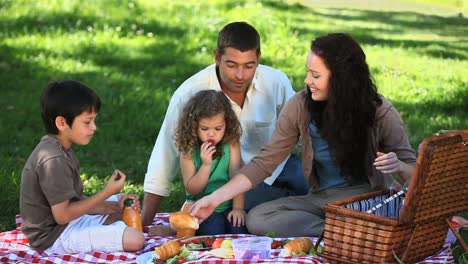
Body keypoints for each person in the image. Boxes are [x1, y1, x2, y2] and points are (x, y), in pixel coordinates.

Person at [189, 33, 417, 237]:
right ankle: (341, 233)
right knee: (258, 218)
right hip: (322, 199)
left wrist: (399, 166)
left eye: (315, 75)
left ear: (340, 79)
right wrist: (215, 198)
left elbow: (417, 173)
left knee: (388, 213)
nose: (307, 80)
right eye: (308, 72)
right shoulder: (300, 105)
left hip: (367, 201)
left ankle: (354, 228)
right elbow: (265, 162)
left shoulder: (379, 111)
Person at [142, 21, 309, 226]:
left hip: (279, 165)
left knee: (316, 185)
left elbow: (304, 128)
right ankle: (290, 206)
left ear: (258, 58)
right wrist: (144, 223)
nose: (240, 75)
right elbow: (163, 158)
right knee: (246, 209)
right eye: (231, 65)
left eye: (249, 65)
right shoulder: (189, 93)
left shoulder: (276, 81)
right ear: (217, 57)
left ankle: (297, 206)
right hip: (234, 182)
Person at [19, 80, 145, 254]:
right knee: (136, 239)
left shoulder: (60, 148)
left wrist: (115, 206)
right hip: (53, 237)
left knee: (123, 198)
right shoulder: (52, 159)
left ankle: (112, 220)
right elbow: (62, 216)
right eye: (87, 122)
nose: (94, 127)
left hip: (69, 222)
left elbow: (74, 201)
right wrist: (105, 193)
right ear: (62, 123)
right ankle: (112, 226)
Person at [175, 90, 248, 235]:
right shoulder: (188, 150)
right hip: (201, 207)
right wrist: (206, 165)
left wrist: (238, 208)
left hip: (227, 204)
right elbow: (193, 189)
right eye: (204, 129)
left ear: (227, 124)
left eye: (218, 128)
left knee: (239, 231)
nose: (211, 134)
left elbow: (237, 177)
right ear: (193, 126)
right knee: (214, 230)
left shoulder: (231, 143)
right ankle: (176, 228)